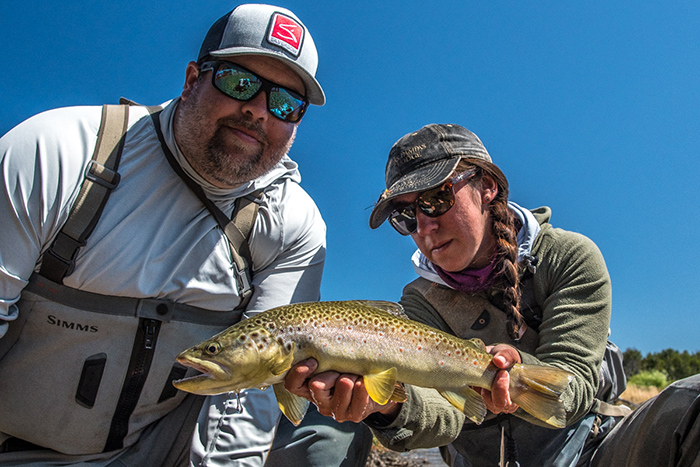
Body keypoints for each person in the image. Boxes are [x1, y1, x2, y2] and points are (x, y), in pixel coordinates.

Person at [0, 4, 367, 466]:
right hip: (16, 450)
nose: (257, 111)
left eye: (285, 104)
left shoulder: (292, 223)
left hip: (162, 450)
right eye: (238, 82)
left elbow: (250, 393)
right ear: (193, 78)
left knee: (323, 425)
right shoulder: (59, 152)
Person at [283, 123, 700, 466]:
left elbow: (572, 388)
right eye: (406, 215)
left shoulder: (570, 256)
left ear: (488, 188)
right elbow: (441, 412)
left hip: (591, 453)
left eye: (435, 199)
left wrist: (520, 372)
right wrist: (387, 407)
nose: (424, 228)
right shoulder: (419, 302)